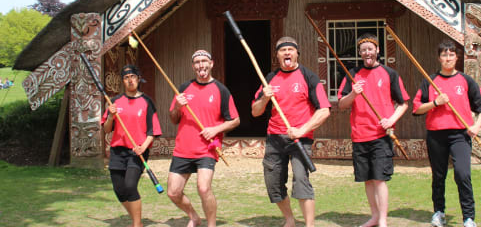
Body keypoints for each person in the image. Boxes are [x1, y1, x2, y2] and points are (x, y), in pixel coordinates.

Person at [252, 36, 331, 227]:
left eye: (290, 49)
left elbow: (324, 110)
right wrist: (264, 98)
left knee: (301, 181)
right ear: (277, 56)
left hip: (300, 140)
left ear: (297, 53)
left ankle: (309, 225)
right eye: (282, 50)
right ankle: (289, 220)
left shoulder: (308, 76)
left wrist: (302, 130)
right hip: (274, 139)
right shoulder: (270, 79)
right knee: (273, 184)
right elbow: (255, 112)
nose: (287, 52)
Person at [412, 40, 481, 227]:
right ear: (439, 58)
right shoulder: (430, 81)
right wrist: (436, 103)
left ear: (456, 57)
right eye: (444, 55)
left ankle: (469, 217)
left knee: (463, 174)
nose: (447, 58)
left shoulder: (465, 80)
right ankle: (439, 212)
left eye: (451, 55)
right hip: (436, 135)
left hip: (460, 135)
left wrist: (476, 126)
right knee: (438, 176)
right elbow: (417, 109)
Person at [337, 33, 410, 227]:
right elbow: (342, 104)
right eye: (363, 50)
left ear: (377, 50)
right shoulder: (352, 73)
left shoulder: (389, 73)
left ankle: (383, 220)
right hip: (360, 134)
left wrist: (391, 119)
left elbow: (403, 104)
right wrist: (354, 92)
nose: (367, 53)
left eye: (370, 49)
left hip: (381, 135)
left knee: (379, 179)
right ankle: (375, 216)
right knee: (367, 179)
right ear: (360, 53)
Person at [167, 50, 240, 227]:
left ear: (211, 64)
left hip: (207, 150)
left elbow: (235, 120)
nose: (201, 65)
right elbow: (174, 118)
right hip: (183, 149)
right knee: (173, 192)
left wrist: (216, 129)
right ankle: (194, 217)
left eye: (204, 61)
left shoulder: (221, 90)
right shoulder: (184, 88)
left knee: (204, 188)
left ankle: (211, 224)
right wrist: (177, 106)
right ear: (193, 66)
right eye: (197, 62)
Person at [100, 65, 162, 227]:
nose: (130, 80)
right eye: (126, 78)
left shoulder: (147, 102)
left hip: (137, 152)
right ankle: (137, 218)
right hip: (117, 151)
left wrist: (144, 146)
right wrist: (111, 117)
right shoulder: (114, 102)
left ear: (138, 79)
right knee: (119, 190)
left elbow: (153, 131)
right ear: (123, 81)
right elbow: (106, 129)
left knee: (130, 185)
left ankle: (136, 224)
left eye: (133, 77)